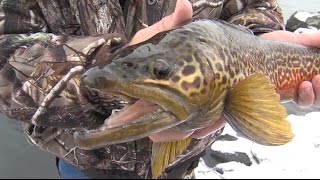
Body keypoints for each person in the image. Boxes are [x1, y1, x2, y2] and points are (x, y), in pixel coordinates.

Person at [0, 0, 319, 179]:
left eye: (162, 73)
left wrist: (258, 37)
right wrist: (98, 70)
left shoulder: (233, 85)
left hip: (184, 164)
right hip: (82, 168)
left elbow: (256, 6)